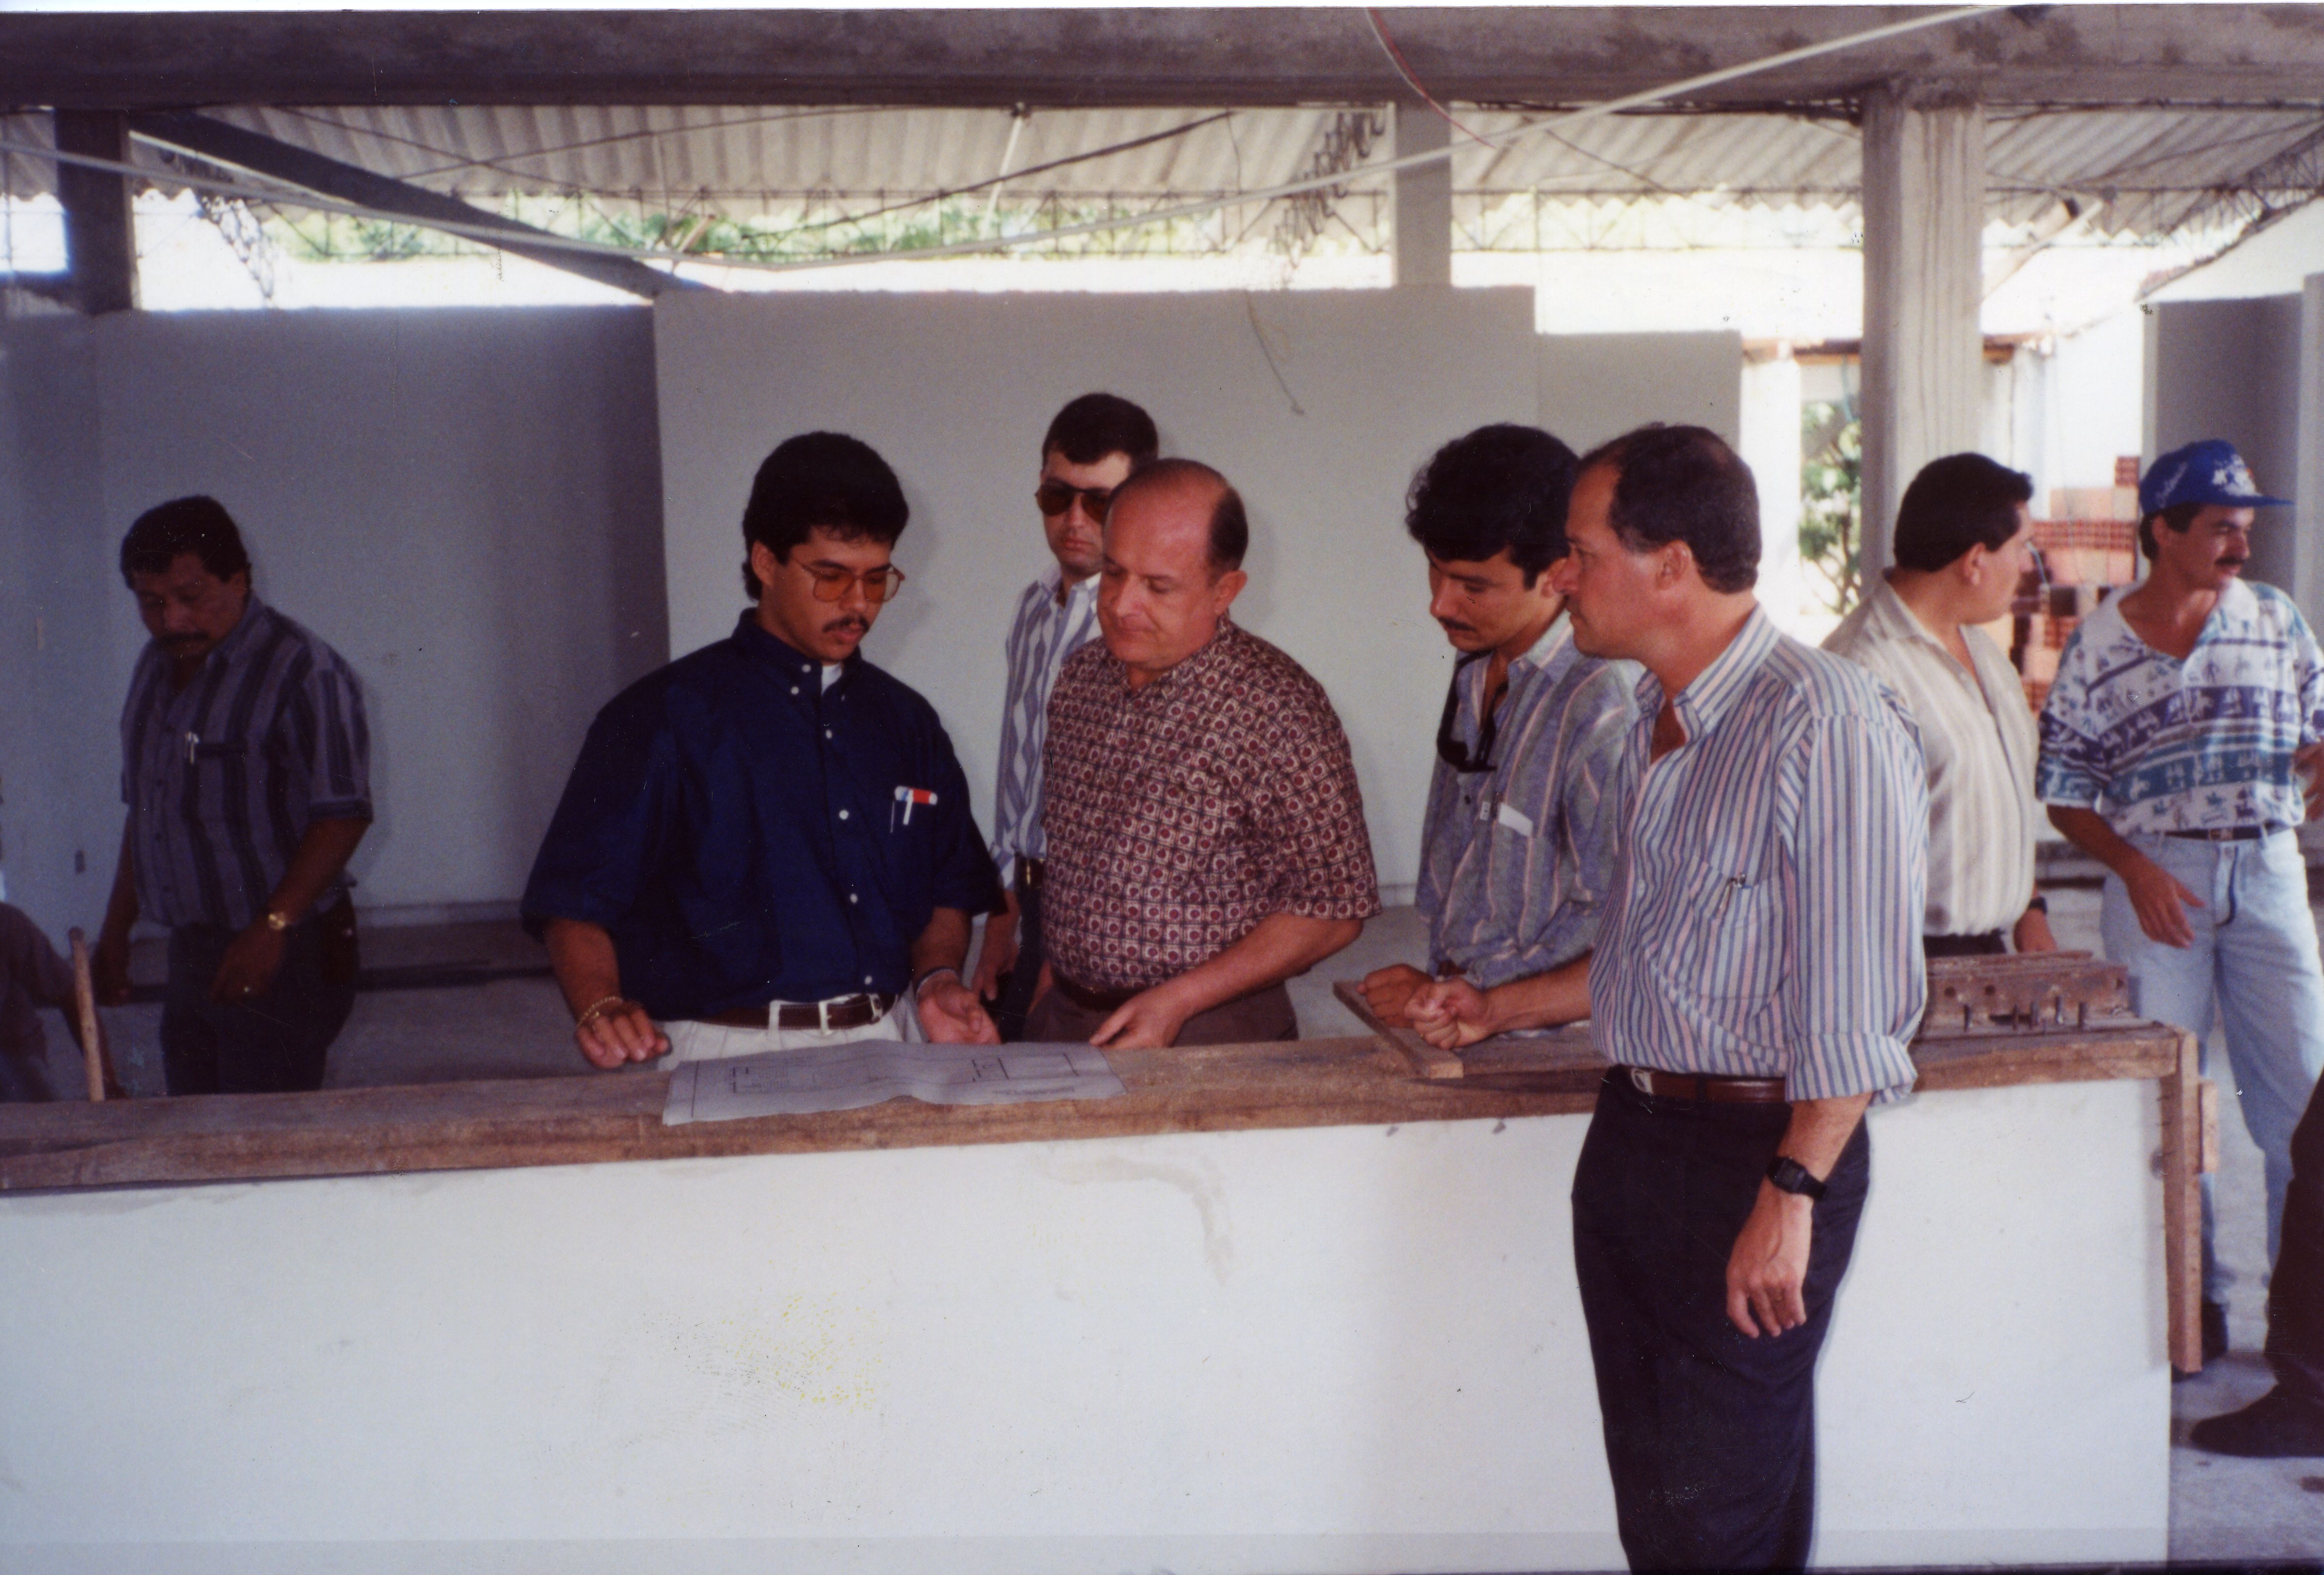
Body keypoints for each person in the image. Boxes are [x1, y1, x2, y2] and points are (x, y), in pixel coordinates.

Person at [1551, 424, 1927, 1570]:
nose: (1560, 577)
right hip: (1635, 1136)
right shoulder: (1652, 718)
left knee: (1711, 1521)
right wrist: (1494, 1006)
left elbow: (1855, 1003)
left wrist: (1789, 1192)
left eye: (1581, 553)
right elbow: (1656, 958)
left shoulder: (1825, 721)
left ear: (1669, 565)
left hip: (1754, 1160)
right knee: (1669, 1508)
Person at [523, 431, 1004, 1067]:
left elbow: (950, 884)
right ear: (765, 561)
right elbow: (573, 904)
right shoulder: (661, 718)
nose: (858, 604)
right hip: (721, 1048)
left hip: (892, 1036)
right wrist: (600, 1003)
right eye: (830, 577)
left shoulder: (907, 722)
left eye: (876, 578)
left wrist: (938, 977)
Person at [2038, 438, 2324, 1365]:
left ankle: (2305, 1330)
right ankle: (2190, 1315)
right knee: (2165, 1105)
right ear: (2163, 531)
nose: (2242, 546)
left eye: (2245, 529)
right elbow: (2064, 792)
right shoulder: (2099, 644)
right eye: (2221, 529)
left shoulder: (2276, 621)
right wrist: (2134, 867)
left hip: (2270, 872)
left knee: (2303, 1108)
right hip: (2157, 881)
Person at [1030, 457, 1379, 1048]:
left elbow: (1334, 906)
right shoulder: (1080, 678)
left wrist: (1179, 1000)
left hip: (1207, 1030)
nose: (1121, 604)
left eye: (1158, 586)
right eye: (1113, 573)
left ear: (1224, 591)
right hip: (1067, 1019)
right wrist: (1051, 986)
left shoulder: (1276, 707)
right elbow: (1074, 861)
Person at [1352, 423, 1635, 1046]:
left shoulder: (1600, 706)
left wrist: (1478, 990)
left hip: (1555, 1047)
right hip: (1462, 1014)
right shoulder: (1477, 664)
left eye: (1472, 586)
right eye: (1435, 572)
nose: (1439, 604)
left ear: (1556, 573)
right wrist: (1442, 982)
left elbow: (1613, 920)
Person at [94, 496, 371, 1095]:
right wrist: (116, 929)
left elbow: (343, 817)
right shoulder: (154, 668)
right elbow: (147, 811)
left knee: (263, 1126)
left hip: (287, 947)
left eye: (191, 596)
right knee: (195, 1118)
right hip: (194, 945)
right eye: (151, 602)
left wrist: (271, 926)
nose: (172, 620)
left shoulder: (306, 671)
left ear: (239, 580)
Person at [971, 393, 1159, 1040]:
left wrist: (1073, 954)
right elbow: (1018, 771)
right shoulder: (1031, 607)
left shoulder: (1147, 626)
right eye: (1057, 496)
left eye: (1099, 502)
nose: (1074, 520)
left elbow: (1141, 810)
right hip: (1028, 898)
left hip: (1111, 920)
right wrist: (1001, 914)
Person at [1824, 452, 2055, 958]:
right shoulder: (1862, 669)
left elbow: (1992, 803)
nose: (2027, 566)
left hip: (1987, 953)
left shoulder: (1984, 653)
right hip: (1902, 961)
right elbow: (1845, 859)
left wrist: (2029, 908)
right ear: (1975, 561)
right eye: (2022, 547)